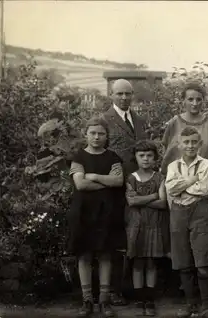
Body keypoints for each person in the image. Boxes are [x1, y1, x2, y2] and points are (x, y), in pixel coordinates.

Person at [68, 117, 125, 317]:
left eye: (101, 133)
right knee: (84, 254)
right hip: (83, 211)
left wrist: (94, 177)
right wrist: (105, 183)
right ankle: (87, 301)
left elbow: (118, 181)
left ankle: (104, 300)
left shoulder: (113, 157)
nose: (96, 137)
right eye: (92, 133)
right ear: (86, 134)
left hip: (106, 211)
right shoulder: (78, 157)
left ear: (106, 136)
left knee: (105, 254)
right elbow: (80, 185)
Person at [103, 78, 148, 306]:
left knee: (135, 235)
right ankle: (111, 290)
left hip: (137, 187)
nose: (124, 98)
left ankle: (130, 288)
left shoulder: (139, 121)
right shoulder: (103, 121)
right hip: (113, 190)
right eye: (119, 94)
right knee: (115, 238)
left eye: (127, 94)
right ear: (111, 95)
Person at [165, 127, 208, 318]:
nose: (190, 146)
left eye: (194, 142)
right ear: (179, 144)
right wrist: (192, 180)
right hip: (178, 213)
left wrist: (182, 186)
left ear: (200, 144)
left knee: (202, 261)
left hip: (199, 212)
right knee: (183, 262)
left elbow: (204, 189)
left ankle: (206, 305)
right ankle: (190, 304)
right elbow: (171, 189)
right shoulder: (172, 166)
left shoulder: (205, 164)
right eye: (186, 142)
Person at [125, 140, 168, 317]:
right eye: (141, 155)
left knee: (151, 262)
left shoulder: (160, 177)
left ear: (155, 158)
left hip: (154, 225)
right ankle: (139, 298)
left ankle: (149, 299)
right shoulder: (130, 178)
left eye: (149, 155)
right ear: (135, 157)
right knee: (137, 263)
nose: (145, 159)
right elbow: (131, 201)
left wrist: (141, 199)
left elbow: (163, 203)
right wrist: (153, 196)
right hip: (136, 225)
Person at [160, 82, 208, 175]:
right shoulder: (174, 122)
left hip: (205, 181)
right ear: (183, 101)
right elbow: (166, 151)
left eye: (199, 99)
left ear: (203, 101)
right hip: (177, 180)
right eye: (190, 99)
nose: (195, 103)